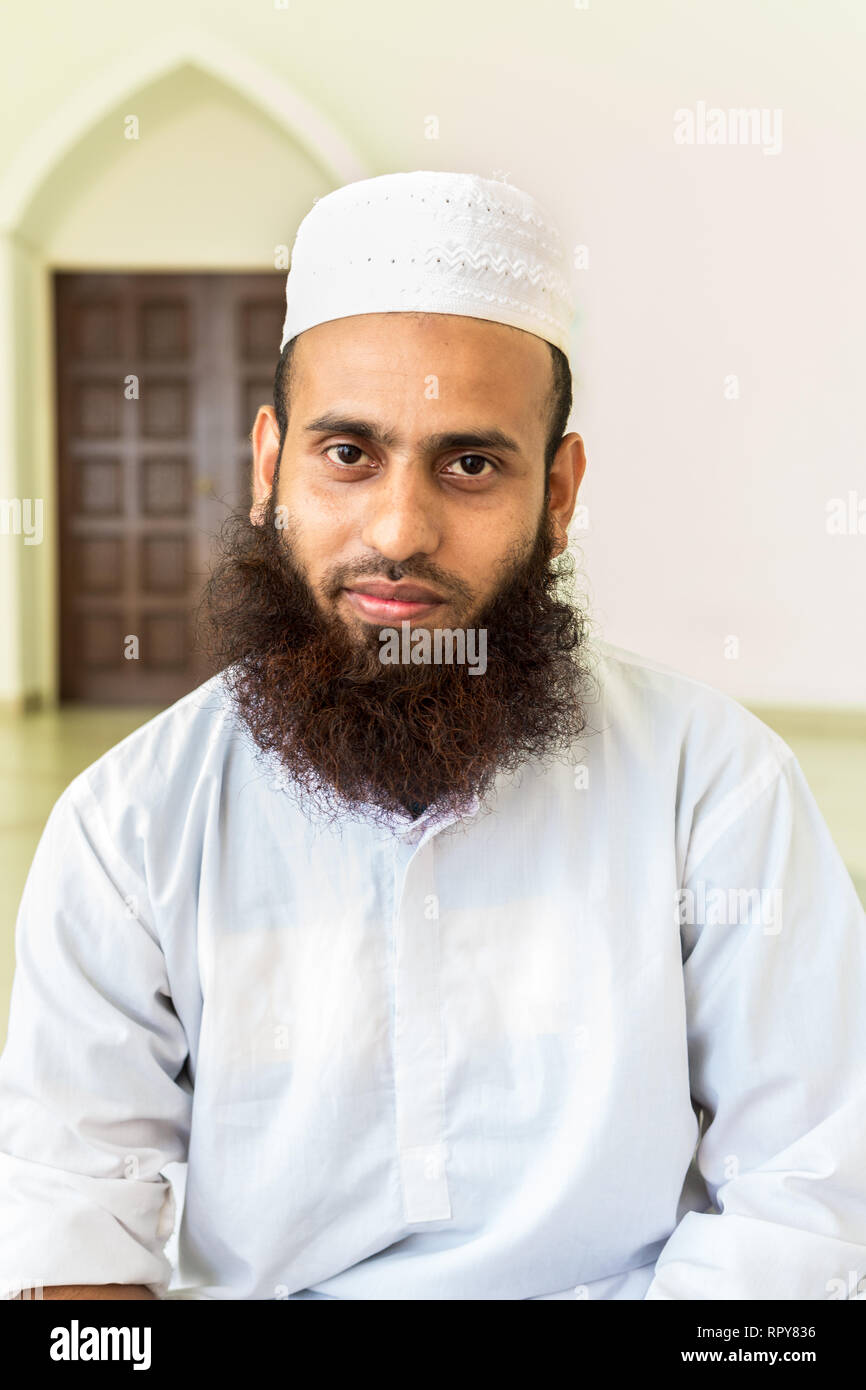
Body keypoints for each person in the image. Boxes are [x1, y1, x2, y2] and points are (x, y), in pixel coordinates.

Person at [2, 170, 865, 1302]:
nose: (398, 532)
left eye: (469, 463)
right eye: (348, 454)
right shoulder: (126, 828)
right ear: (272, 470)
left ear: (557, 493)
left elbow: (803, 1196)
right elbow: (73, 1221)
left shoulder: (714, 788)